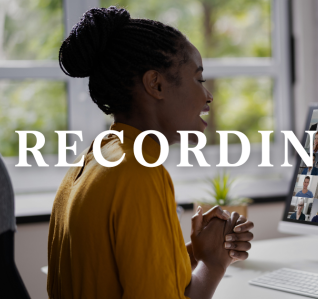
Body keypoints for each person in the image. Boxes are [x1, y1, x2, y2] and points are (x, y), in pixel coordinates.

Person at [48, 8, 255, 298]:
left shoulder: (93, 159)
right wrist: (215, 263)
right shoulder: (140, 173)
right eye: (199, 79)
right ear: (156, 84)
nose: (208, 96)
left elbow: (122, 272)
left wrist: (196, 252)